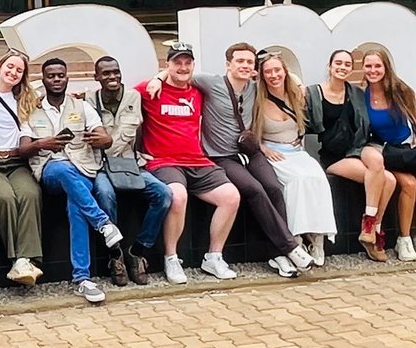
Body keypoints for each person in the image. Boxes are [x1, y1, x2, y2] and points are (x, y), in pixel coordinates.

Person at [190, 42, 307, 278]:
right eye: (240, 61)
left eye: (249, 62)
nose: (245, 66)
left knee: (274, 187)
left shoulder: (256, 87)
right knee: (253, 189)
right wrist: (158, 78)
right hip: (222, 156)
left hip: (251, 152)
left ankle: (279, 255)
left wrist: (299, 85)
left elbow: (283, 77)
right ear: (228, 64)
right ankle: (290, 246)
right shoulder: (210, 82)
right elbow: (180, 73)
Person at [137, 43, 243, 283]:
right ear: (168, 65)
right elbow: (118, 96)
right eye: (177, 62)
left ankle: (214, 257)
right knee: (177, 196)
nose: (183, 67)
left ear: (193, 65)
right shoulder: (150, 89)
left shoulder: (199, 90)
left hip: (198, 161)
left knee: (231, 197)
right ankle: (171, 258)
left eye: (187, 62)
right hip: (163, 162)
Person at [25, 57, 123, 305]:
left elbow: (105, 137)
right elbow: (23, 147)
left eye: (61, 75)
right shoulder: (31, 109)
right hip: (50, 171)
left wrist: (101, 138)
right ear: (43, 79)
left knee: (76, 207)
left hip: (83, 170)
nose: (56, 80)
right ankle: (103, 223)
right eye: (51, 76)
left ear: (67, 78)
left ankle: (82, 279)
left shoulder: (82, 107)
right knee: (62, 168)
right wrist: (41, 144)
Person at [88, 56, 168, 285]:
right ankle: (116, 255)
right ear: (97, 77)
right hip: (102, 166)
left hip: (130, 164)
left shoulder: (134, 96)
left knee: (163, 194)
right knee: (105, 194)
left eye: (116, 72)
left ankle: (137, 252)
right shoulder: (89, 100)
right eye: (106, 73)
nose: (112, 77)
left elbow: (135, 131)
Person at [253, 50, 336, 264]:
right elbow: (248, 131)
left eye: (277, 70)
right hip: (275, 152)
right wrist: (262, 148)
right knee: (296, 182)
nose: (273, 75)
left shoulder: (295, 94)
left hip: (297, 151)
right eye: (268, 72)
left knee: (317, 179)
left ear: (285, 71)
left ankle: (317, 239)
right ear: (262, 75)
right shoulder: (257, 99)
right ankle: (295, 239)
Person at [313, 48, 395, 264]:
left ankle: (370, 226)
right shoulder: (314, 93)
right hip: (334, 156)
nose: (342, 67)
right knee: (387, 180)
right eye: (338, 63)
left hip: (357, 149)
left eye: (347, 64)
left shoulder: (356, 93)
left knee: (383, 170)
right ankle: (374, 231)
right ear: (330, 66)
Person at [0, 51, 50, 286]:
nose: (13, 72)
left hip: (16, 161)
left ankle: (25, 259)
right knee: (3, 198)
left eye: (19, 70)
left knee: (30, 193)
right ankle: (17, 259)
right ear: (0, 66)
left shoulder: (25, 99)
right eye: (10, 66)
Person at [361, 43, 416, 261]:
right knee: (409, 185)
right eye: (368, 66)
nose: (373, 70)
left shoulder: (401, 90)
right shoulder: (361, 96)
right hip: (389, 152)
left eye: (378, 66)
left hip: (410, 148)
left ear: (386, 67)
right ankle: (403, 239)